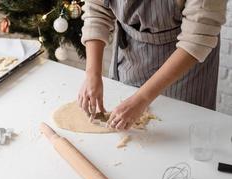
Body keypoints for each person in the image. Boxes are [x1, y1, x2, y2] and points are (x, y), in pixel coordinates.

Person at [78, 0, 227, 131]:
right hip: (132, 56)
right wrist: (92, 74)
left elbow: (195, 40)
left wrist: (141, 98)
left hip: (185, 66)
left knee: (179, 136)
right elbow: (97, 11)